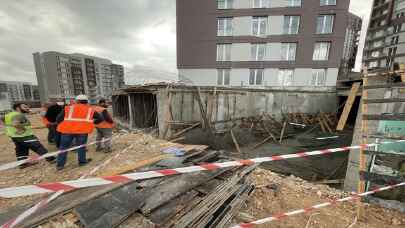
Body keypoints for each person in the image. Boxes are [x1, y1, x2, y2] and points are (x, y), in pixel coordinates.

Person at [55, 95, 104, 170]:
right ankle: (82, 162)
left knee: (63, 147)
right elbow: (100, 118)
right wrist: (92, 123)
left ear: (77, 101)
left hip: (67, 130)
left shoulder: (69, 108)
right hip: (82, 131)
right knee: (81, 147)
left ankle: (60, 165)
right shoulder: (90, 109)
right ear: (86, 101)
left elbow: (58, 119)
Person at [4, 103, 55, 168]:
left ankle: (22, 163)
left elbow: (7, 123)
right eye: (24, 107)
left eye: (27, 107)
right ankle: (51, 159)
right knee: (38, 147)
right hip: (25, 136)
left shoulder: (9, 114)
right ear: (18, 108)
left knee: (21, 149)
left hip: (14, 136)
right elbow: (15, 124)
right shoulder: (18, 115)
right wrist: (22, 129)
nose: (27, 108)